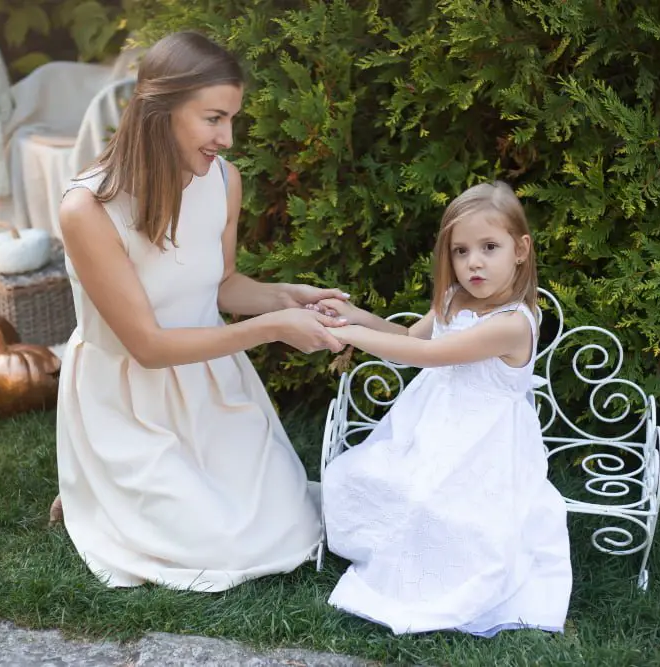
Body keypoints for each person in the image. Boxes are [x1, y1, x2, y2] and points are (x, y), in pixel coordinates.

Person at [52, 31, 350, 592]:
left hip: (211, 386)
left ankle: (108, 492)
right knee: (222, 547)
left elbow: (223, 285)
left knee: (288, 524)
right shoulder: (88, 209)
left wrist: (292, 297)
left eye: (232, 118)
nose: (228, 138)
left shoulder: (222, 180)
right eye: (214, 118)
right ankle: (97, 483)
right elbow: (148, 345)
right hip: (129, 400)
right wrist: (274, 329)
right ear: (160, 110)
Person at [313, 181, 573, 635]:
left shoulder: (513, 324)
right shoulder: (453, 298)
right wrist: (352, 318)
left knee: (442, 508)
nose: (473, 262)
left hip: (483, 441)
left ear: (521, 249)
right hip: (432, 424)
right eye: (461, 251)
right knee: (363, 477)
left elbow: (430, 356)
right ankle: (390, 560)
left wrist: (351, 339)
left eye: (489, 247)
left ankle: (431, 582)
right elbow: (409, 341)